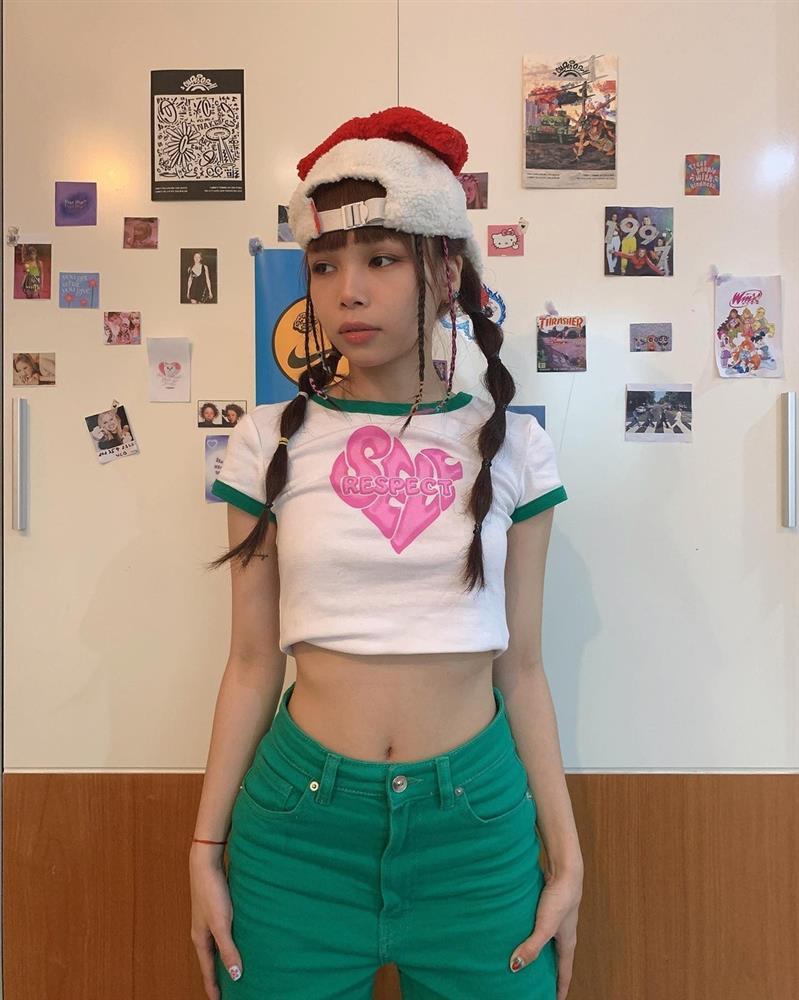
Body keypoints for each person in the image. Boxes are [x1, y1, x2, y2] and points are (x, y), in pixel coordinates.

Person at [190, 106, 583, 1000]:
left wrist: (565, 859)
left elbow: (522, 668)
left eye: (379, 260)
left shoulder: (514, 449)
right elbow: (250, 663)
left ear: (445, 271)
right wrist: (204, 849)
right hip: (297, 834)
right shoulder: (264, 442)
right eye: (325, 265)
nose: (347, 292)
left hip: (475, 833)